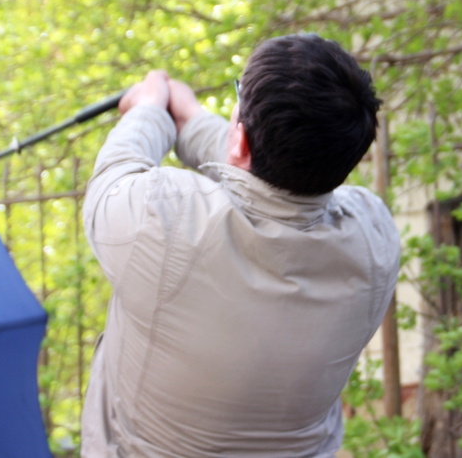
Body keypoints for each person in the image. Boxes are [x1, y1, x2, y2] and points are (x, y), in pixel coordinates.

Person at [81, 34, 400, 457]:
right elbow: (277, 175)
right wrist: (193, 119)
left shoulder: (161, 222)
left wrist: (149, 109)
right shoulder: (374, 239)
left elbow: (114, 174)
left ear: (241, 139)